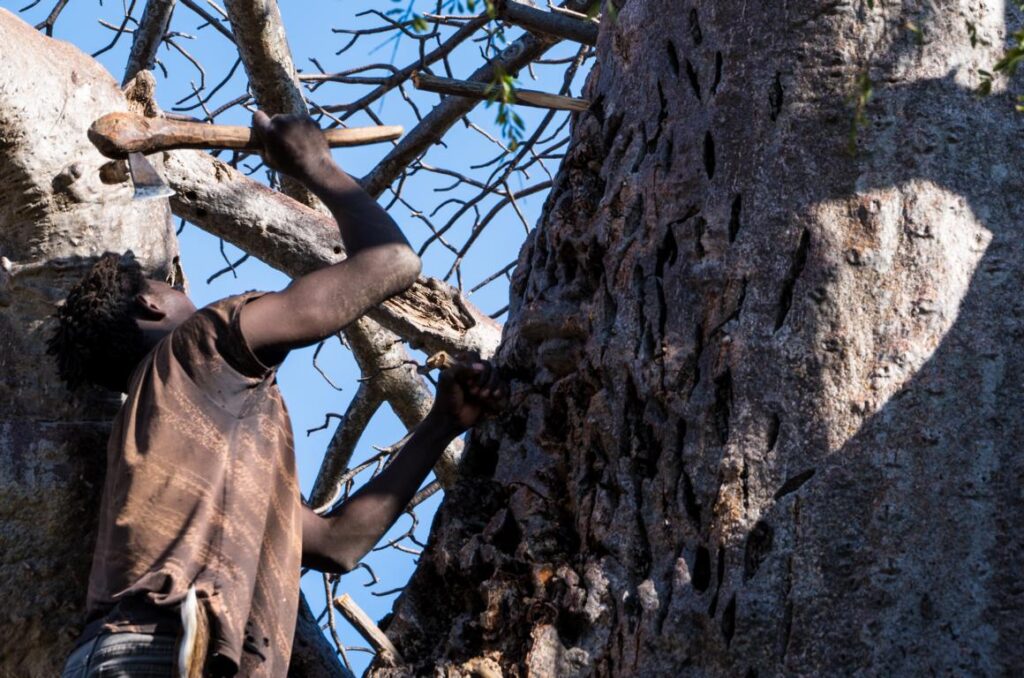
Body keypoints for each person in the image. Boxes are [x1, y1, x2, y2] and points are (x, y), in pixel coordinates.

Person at [49, 111, 506, 677]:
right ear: (151, 305)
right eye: (171, 283)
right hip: (159, 652)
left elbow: (337, 544)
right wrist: (315, 164)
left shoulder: (173, 445)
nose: (187, 290)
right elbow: (391, 263)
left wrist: (442, 423)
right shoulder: (197, 345)